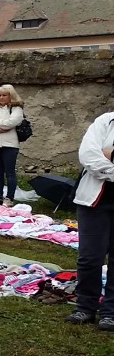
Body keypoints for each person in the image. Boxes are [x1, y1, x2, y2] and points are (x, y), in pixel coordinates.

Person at [66, 110, 114, 331]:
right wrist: (108, 164)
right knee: (89, 257)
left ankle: (110, 312)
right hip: (95, 201)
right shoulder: (106, 121)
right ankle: (85, 306)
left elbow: (102, 156)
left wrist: (109, 155)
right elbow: (88, 156)